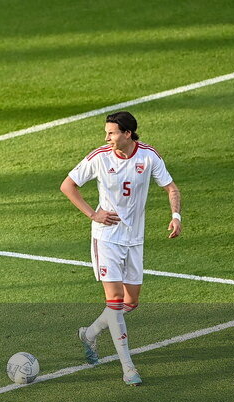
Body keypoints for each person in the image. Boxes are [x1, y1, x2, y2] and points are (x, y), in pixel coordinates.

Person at [60, 111, 182, 385]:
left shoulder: (148, 156)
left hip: (134, 240)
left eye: (112, 133)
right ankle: (128, 368)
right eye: (107, 133)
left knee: (130, 302)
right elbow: (68, 185)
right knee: (114, 303)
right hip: (107, 238)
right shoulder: (99, 157)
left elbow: (171, 188)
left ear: (128, 133)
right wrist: (94, 214)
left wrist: (176, 216)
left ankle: (89, 333)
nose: (107, 138)